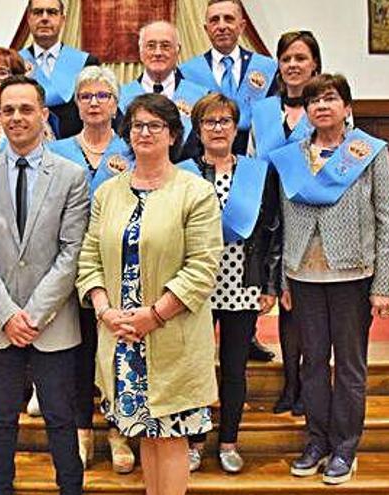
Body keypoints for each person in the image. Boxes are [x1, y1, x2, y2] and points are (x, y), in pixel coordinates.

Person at [76, 93, 223, 495]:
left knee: (171, 438)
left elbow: (203, 268)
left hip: (170, 334)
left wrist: (152, 316)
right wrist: (106, 311)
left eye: (155, 125)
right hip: (122, 336)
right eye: (137, 125)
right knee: (145, 435)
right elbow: (89, 257)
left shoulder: (195, 192)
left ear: (173, 135)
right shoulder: (108, 192)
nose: (144, 132)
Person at [268, 74, 389, 485]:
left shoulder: (369, 153)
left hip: (353, 275)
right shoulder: (292, 156)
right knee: (311, 365)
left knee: (349, 367)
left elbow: (387, 219)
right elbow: (284, 221)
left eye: (330, 98)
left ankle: (345, 447)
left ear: (345, 106)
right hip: (302, 275)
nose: (322, 106)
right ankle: (317, 441)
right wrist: (283, 280)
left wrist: (383, 286)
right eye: (313, 100)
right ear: (305, 110)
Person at [0, 75, 89, 495]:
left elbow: (72, 252)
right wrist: (7, 314)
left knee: (59, 414)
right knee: (0, 416)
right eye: (8, 109)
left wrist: (33, 314)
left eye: (26, 109)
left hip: (52, 321)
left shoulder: (71, 176)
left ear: (44, 114)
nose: (17, 117)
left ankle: (71, 489)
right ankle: (0, 488)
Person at [183, 93, 281, 473]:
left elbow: (273, 230)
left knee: (234, 367)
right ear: (198, 128)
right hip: (194, 286)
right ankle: (194, 441)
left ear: (236, 126)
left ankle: (228, 442)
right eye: (210, 121)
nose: (218, 128)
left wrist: (270, 284)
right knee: (196, 366)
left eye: (225, 121)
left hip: (241, 282)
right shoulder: (184, 171)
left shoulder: (257, 172)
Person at [47, 65, 135, 474]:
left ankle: (119, 430)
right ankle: (83, 429)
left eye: (103, 96)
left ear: (116, 104)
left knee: (115, 351)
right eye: (87, 97)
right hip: (68, 264)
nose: (95, 103)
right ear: (77, 104)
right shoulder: (58, 149)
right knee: (79, 353)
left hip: (118, 266)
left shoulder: (131, 148)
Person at [249, 30, 322, 416]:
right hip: (266, 213)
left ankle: (304, 387)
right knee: (273, 295)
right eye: (286, 59)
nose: (293, 65)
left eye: (300, 58)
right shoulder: (263, 111)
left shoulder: (325, 107)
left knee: (300, 303)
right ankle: (287, 379)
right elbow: (249, 158)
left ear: (314, 64)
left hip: (307, 215)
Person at [180, 0, 277, 155]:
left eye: (229, 19)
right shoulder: (186, 73)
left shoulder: (267, 69)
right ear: (206, 29)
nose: (222, 26)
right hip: (204, 166)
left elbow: (272, 126)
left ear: (242, 26)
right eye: (214, 20)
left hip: (255, 163)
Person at [118, 21, 208, 143]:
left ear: (177, 51)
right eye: (151, 46)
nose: (158, 53)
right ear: (140, 52)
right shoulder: (119, 99)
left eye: (165, 46)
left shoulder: (202, 98)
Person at [20, 0, 99, 138]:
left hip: (74, 151)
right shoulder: (15, 63)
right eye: (38, 12)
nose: (44, 18)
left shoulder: (87, 63)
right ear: (28, 18)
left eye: (52, 12)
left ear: (62, 20)